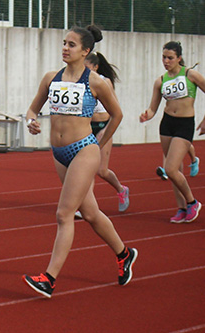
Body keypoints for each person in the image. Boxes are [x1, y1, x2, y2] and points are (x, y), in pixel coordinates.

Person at [22, 25, 137, 298]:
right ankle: (124, 254)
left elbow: (117, 115)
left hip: (84, 151)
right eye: (64, 42)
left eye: (71, 44)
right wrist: (31, 121)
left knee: (64, 214)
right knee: (90, 213)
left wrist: (99, 142)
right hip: (59, 153)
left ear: (86, 51)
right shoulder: (51, 78)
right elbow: (32, 108)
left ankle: (49, 279)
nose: (65, 47)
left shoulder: (95, 81)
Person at [140, 41, 205, 223]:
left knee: (170, 168)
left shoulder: (191, 75)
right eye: (164, 57)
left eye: (170, 58)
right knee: (177, 169)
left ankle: (192, 202)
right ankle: (181, 208)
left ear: (179, 58)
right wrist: (147, 114)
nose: (166, 61)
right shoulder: (160, 81)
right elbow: (153, 108)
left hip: (185, 124)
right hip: (167, 124)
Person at [85, 52, 129, 212]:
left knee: (101, 170)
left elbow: (115, 108)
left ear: (95, 67)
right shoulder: (81, 82)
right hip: (88, 127)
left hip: (104, 125)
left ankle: (121, 189)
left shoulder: (105, 82)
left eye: (87, 67)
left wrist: (107, 129)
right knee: (86, 168)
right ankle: (85, 205)